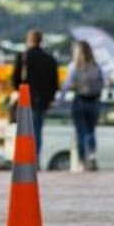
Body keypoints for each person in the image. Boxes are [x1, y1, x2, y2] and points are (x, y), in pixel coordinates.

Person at [10, 29, 59, 162]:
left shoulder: (23, 57)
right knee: (37, 130)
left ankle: (24, 158)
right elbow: (54, 82)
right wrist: (49, 98)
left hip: (26, 98)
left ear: (28, 40)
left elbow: (14, 79)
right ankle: (34, 158)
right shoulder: (49, 60)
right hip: (42, 101)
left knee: (24, 131)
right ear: (40, 40)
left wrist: (20, 91)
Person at [60, 40, 105, 171]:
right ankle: (92, 156)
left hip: (80, 100)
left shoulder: (74, 66)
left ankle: (82, 161)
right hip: (94, 100)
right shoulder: (96, 66)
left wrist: (60, 100)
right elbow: (103, 83)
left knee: (81, 132)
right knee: (91, 132)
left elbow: (67, 85)